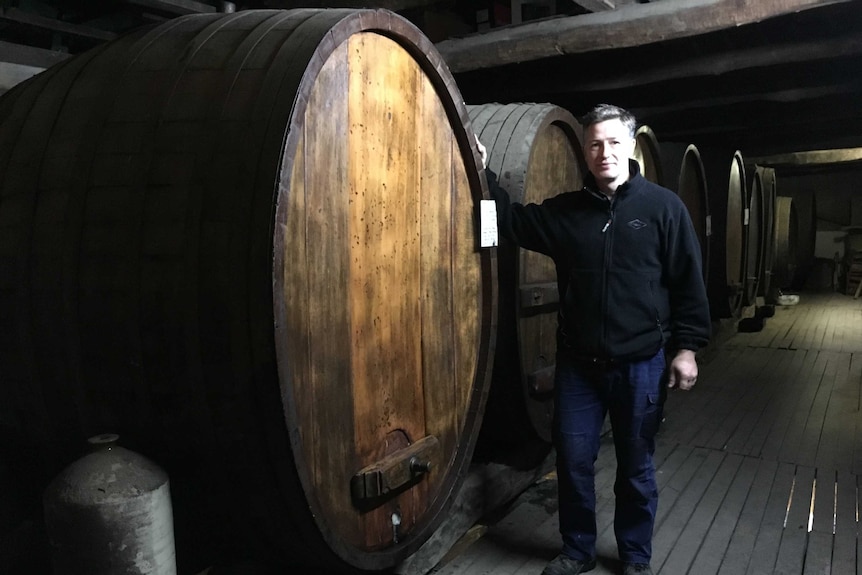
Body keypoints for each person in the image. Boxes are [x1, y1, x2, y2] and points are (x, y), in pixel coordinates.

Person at [477, 104, 711, 575]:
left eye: (613, 143)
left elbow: (689, 281)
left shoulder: (663, 208)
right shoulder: (567, 212)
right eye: (595, 144)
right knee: (574, 462)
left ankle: (635, 556)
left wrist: (686, 348)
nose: (604, 152)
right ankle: (578, 549)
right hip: (579, 366)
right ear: (585, 151)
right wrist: (482, 171)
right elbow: (512, 220)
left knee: (636, 466)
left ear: (630, 146)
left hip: (641, 362)